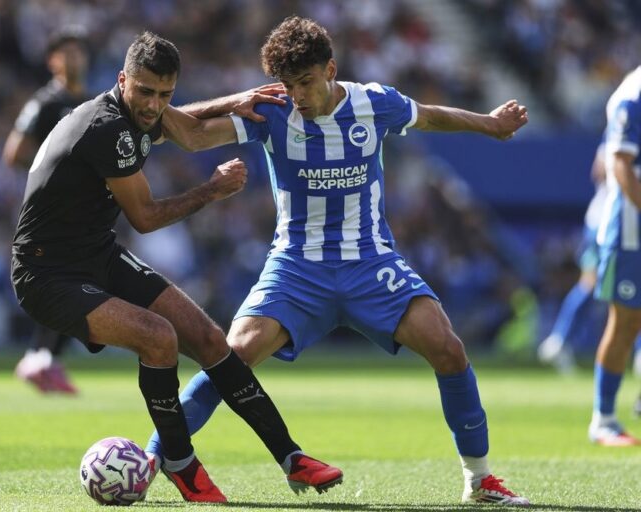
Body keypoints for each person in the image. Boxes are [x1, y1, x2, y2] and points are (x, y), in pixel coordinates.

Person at [147, 16, 530, 505]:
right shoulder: (272, 112)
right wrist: (196, 103)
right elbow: (189, 136)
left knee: (449, 349)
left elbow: (430, 115)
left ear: (331, 69)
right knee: (230, 356)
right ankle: (151, 458)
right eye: (288, 85)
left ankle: (479, 480)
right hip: (297, 266)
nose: (298, 96)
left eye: (305, 82)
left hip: (370, 261)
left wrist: (491, 125)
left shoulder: (375, 104)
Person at [10, 31, 341, 503]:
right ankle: (182, 467)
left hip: (95, 254)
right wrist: (211, 190)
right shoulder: (106, 129)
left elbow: (184, 129)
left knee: (209, 338)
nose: (154, 105)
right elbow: (144, 219)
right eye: (145, 92)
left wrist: (238, 99)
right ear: (122, 80)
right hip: (46, 274)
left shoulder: (137, 110)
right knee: (158, 336)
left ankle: (293, 458)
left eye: (165, 94)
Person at [3, 27, 91, 394]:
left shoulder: (90, 102)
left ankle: (43, 357)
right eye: (65, 52)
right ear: (52, 61)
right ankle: (41, 356)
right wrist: (49, 171)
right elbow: (13, 152)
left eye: (78, 52)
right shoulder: (45, 102)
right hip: (53, 210)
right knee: (71, 282)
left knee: (80, 281)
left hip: (84, 209)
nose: (73, 58)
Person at [588, 65, 641, 446]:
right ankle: (603, 420)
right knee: (625, 321)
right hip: (630, 231)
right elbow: (620, 165)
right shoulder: (633, 93)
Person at [538, 144, 608, 374]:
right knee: (591, 282)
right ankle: (560, 338)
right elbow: (599, 171)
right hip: (605, 224)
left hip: (615, 223)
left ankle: (560, 339)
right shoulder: (622, 130)